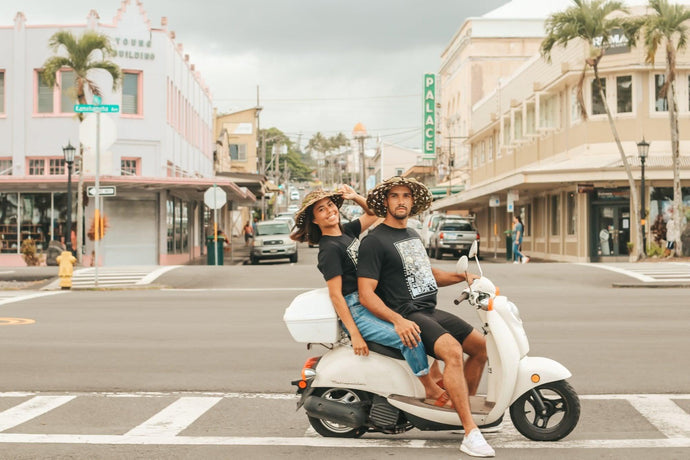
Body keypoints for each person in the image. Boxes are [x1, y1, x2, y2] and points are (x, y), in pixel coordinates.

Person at [357, 176, 494, 458]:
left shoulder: (412, 235)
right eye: (394, 196)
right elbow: (366, 294)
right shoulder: (374, 241)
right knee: (453, 352)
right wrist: (397, 320)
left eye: (405, 196)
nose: (400, 201)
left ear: (412, 202)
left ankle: (459, 409)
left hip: (427, 309)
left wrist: (464, 277)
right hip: (408, 313)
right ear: (385, 202)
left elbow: (427, 274)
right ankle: (470, 432)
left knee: (481, 347)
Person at [291, 185, 446, 403]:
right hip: (356, 309)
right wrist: (354, 333)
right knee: (409, 338)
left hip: (372, 300)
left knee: (418, 324)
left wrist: (355, 197)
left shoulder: (346, 232)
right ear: (315, 220)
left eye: (330, 205)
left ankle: (436, 377)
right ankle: (429, 388)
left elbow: (374, 213)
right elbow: (336, 295)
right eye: (321, 210)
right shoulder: (329, 249)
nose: (329, 211)